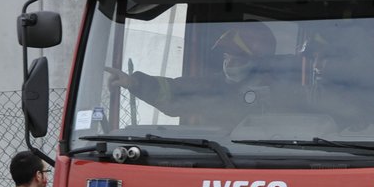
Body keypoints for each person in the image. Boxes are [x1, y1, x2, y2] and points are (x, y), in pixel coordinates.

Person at [108, 23, 278, 116]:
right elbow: (174, 92)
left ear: (260, 63)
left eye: (238, 58)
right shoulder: (212, 85)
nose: (229, 64)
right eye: (227, 57)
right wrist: (135, 83)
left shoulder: (284, 90)